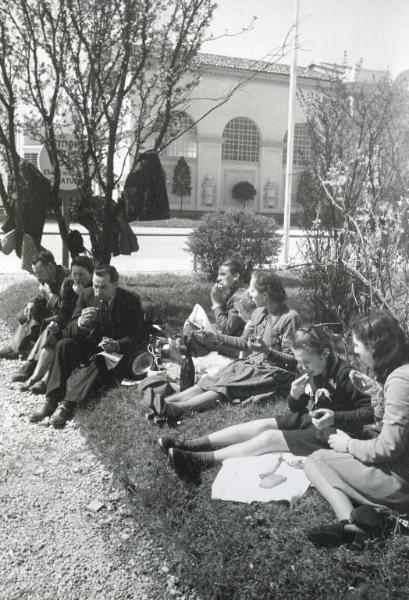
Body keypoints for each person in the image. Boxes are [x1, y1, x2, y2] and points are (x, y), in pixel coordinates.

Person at [159, 325, 373, 480]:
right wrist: (295, 396)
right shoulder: (316, 368)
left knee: (270, 438)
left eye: (306, 362)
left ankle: (200, 461)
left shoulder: (346, 374)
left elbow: (370, 412)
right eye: (299, 362)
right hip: (319, 421)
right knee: (263, 424)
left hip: (339, 435)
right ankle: (190, 445)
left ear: (325, 353)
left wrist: (336, 417)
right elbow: (297, 409)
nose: (303, 367)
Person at [305, 311, 409, 550]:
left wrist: (348, 445)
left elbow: (388, 446)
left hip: (401, 482)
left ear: (375, 346)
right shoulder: (402, 372)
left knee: (315, 460)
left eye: (358, 344)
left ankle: (353, 527)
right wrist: (377, 392)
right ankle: (375, 516)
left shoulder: (400, 381)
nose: (356, 351)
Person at [152, 270, 301, 419]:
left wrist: (266, 351)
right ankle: (166, 401)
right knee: (213, 380)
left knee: (227, 386)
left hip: (275, 374)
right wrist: (215, 337)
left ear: (265, 295)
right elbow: (244, 343)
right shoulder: (260, 312)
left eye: (252, 290)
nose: (249, 293)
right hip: (252, 365)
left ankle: (177, 408)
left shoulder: (289, 318)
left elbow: (293, 362)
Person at [29, 265, 147, 429]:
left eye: (103, 287)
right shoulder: (87, 294)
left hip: (115, 353)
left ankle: (67, 405)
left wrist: (118, 344)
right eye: (95, 285)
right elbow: (69, 330)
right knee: (64, 345)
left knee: (102, 360)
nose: (98, 291)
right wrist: (80, 323)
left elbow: (138, 336)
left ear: (115, 284)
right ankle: (51, 401)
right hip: (90, 345)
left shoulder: (130, 300)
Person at [14, 256, 94, 394]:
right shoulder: (70, 285)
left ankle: (45, 379)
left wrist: (81, 295)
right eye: (75, 274)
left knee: (58, 336)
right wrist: (57, 324)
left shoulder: (94, 288)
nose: (77, 278)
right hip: (69, 322)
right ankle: (34, 377)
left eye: (81, 274)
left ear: (91, 273)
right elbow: (65, 311)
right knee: (52, 331)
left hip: (86, 327)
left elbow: (85, 314)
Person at [0, 251, 67, 361]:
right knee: (30, 309)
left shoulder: (65, 279)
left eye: (39, 272)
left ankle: (22, 349)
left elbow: (65, 308)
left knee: (37, 314)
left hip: (64, 318)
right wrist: (32, 303)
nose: (37, 277)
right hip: (55, 311)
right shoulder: (51, 276)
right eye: (35, 273)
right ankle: (15, 347)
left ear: (50, 266)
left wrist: (49, 294)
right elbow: (41, 296)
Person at [184, 259, 247, 357]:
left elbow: (226, 329)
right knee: (202, 329)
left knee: (192, 331)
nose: (218, 278)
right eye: (218, 274)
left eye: (222, 274)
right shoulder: (236, 292)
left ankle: (192, 350)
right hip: (235, 339)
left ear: (235, 276)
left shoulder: (240, 296)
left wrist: (216, 301)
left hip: (238, 347)